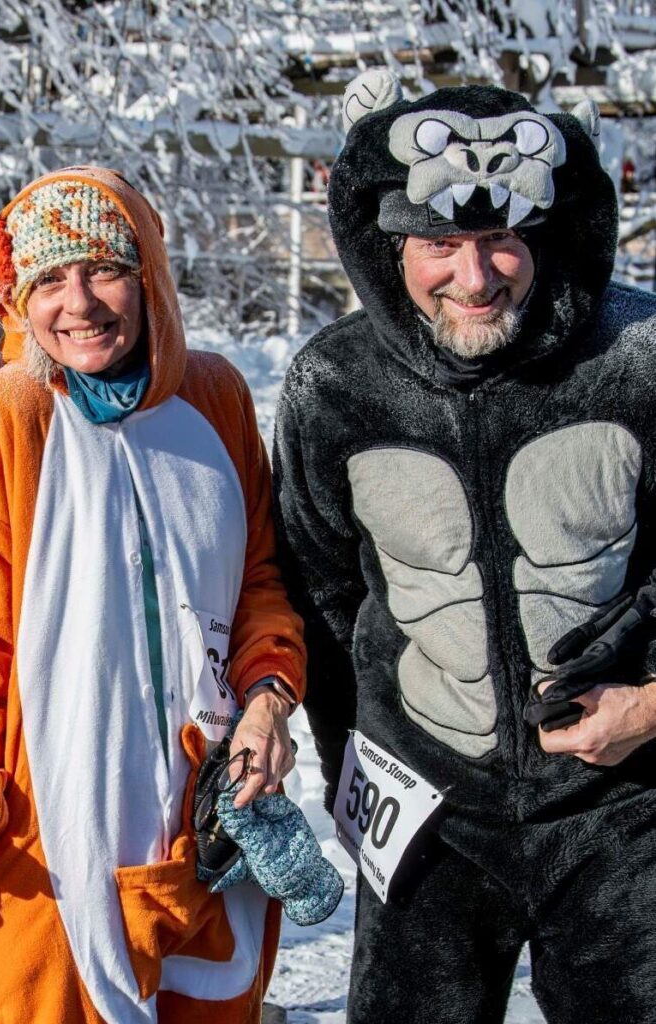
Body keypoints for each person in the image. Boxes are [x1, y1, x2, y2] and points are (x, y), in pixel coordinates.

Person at [273, 69, 656, 1023]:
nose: (474, 278)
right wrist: (353, 772)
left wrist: (652, 707)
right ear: (388, 243)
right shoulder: (334, 385)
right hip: (427, 807)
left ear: (547, 234)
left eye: (501, 241)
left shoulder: (641, 359)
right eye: (440, 243)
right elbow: (318, 590)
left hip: (625, 807)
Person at [0, 166, 306, 1023]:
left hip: (210, 803)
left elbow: (260, 585)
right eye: (48, 278)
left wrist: (272, 696)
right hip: (50, 815)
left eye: (103, 268)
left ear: (150, 275)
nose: (78, 302)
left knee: (214, 1001)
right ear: (16, 298)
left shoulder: (215, 396)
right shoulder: (9, 417)